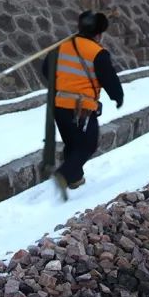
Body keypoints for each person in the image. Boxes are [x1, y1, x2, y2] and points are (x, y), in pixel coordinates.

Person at [43, 11, 124, 199]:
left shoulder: (61, 46)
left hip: (60, 105)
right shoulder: (97, 53)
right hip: (82, 109)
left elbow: (47, 70)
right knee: (87, 144)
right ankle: (64, 174)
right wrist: (117, 96)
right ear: (98, 34)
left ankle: (75, 179)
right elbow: (109, 79)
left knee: (73, 142)